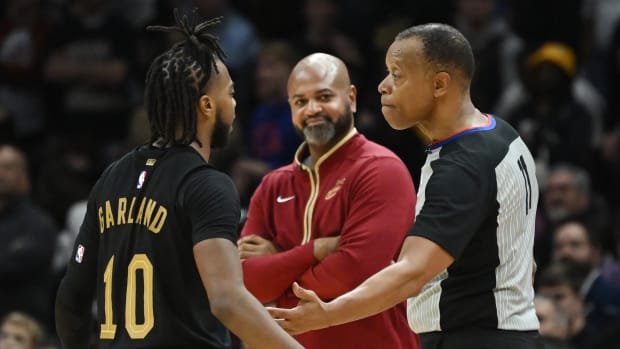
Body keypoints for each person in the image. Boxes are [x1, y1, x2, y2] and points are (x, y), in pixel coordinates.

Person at [269, 23, 541, 348]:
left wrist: (328, 314)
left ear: (439, 84)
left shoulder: (463, 165)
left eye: (397, 75)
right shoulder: (501, 134)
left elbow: (412, 273)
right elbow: (527, 261)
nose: (383, 86)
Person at [54, 10, 302, 349]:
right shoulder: (206, 184)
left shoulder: (111, 178)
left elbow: (70, 301)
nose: (234, 105)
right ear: (206, 106)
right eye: (229, 94)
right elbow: (228, 301)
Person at [237, 52, 420, 348]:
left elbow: (354, 274)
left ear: (351, 98)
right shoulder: (273, 185)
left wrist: (278, 261)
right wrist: (316, 250)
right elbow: (247, 284)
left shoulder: (381, 169)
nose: (312, 109)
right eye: (300, 101)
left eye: (324, 97)